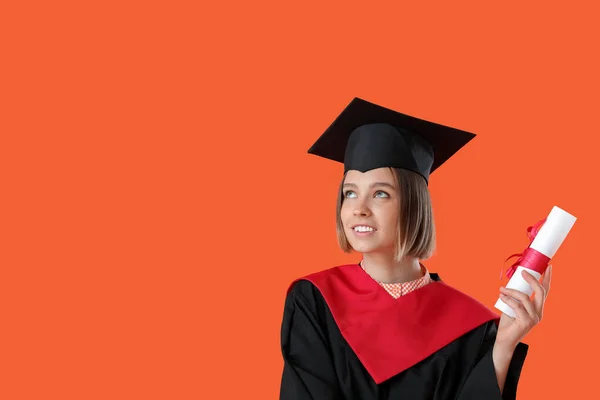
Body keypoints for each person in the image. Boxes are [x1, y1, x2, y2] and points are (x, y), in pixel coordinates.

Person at [278, 97, 551, 399]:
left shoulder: (469, 324)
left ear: (414, 206)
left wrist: (503, 347)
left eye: (380, 193)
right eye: (350, 193)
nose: (359, 209)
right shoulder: (315, 300)